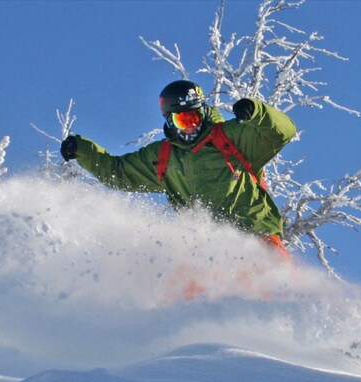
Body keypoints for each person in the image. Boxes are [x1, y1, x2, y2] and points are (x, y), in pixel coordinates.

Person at [60, 80, 296, 255]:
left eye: (196, 116)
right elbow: (118, 173)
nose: (192, 126)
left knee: (274, 284)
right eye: (183, 120)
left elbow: (283, 131)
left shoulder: (230, 137)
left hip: (256, 238)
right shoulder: (163, 155)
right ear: (169, 121)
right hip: (209, 250)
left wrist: (257, 112)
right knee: (183, 289)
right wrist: (82, 149)